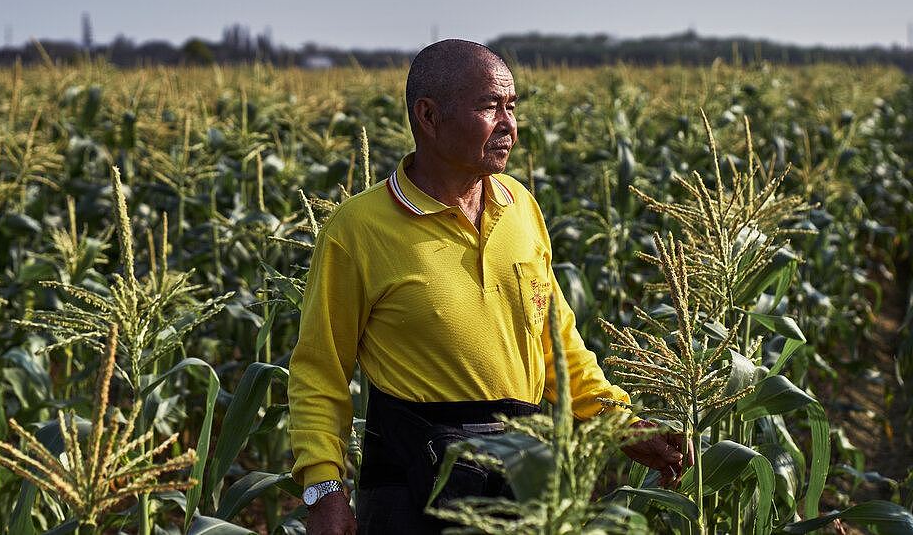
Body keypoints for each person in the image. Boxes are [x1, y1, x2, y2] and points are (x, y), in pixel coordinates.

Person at [288, 39, 688, 535]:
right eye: (489, 107)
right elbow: (319, 371)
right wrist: (324, 489)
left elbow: (556, 342)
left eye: (512, 107)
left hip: (521, 477)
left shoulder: (519, 206)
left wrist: (616, 421)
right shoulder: (359, 230)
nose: (509, 126)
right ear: (429, 117)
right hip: (412, 493)